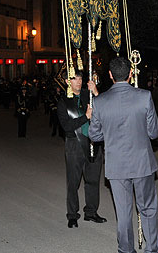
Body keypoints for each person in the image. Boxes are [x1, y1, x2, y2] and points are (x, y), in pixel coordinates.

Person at [89, 57, 158, 253]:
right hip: (142, 163)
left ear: (110, 75)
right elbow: (153, 133)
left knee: (123, 212)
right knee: (148, 208)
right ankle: (152, 250)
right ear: (131, 74)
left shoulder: (100, 102)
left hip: (116, 165)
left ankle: (125, 249)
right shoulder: (144, 96)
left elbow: (94, 135)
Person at [56, 70, 105, 228]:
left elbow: (106, 110)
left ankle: (91, 212)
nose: (78, 81)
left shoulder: (88, 94)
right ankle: (72, 215)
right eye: (74, 78)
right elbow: (67, 126)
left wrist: (96, 92)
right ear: (66, 81)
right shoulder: (63, 101)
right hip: (74, 144)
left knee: (93, 180)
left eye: (80, 78)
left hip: (92, 142)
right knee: (73, 181)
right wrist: (85, 117)